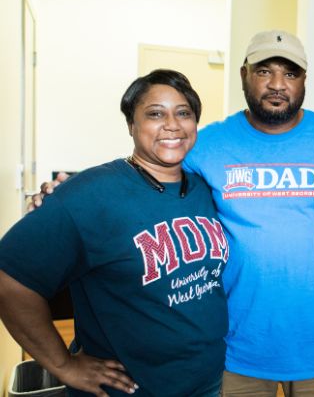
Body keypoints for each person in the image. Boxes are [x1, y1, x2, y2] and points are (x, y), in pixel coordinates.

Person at [30, 30, 314, 396]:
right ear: (244, 74)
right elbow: (149, 169)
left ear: (304, 79)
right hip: (234, 345)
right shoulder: (206, 142)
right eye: (264, 71)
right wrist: (70, 188)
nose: (277, 84)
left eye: (290, 73)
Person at [0, 70, 229, 397]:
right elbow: (10, 281)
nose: (172, 124)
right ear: (131, 125)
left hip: (208, 383)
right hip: (131, 389)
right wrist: (63, 365)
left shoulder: (206, 188)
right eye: (155, 114)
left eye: (183, 113)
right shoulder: (89, 194)